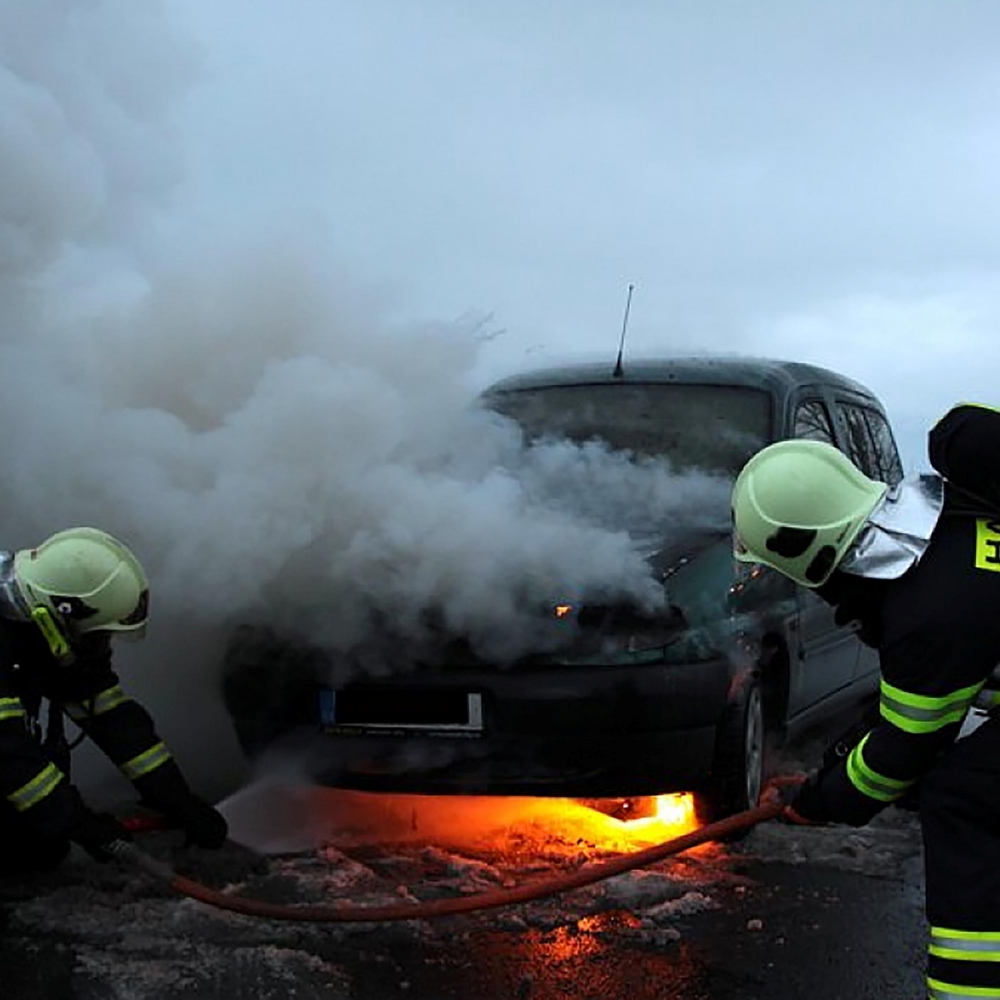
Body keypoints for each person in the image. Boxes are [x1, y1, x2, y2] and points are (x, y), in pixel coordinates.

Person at [732, 403, 1000, 1000]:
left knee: (966, 795)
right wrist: (831, 769)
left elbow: (903, 750)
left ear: (812, 554)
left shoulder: (931, 612)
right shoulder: (952, 519)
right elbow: (900, 713)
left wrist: (821, 802)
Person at [0, 526, 227, 873]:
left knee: (38, 844)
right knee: (30, 837)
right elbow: (7, 752)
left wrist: (176, 799)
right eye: (96, 634)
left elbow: (109, 715)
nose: (101, 645)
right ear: (60, 612)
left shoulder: (47, 628)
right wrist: (79, 822)